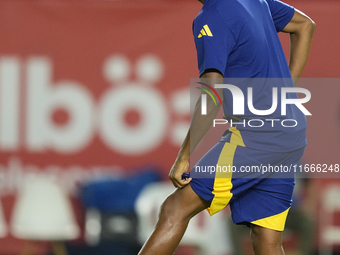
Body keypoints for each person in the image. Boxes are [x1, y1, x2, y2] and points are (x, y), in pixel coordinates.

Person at [138, 0, 315, 255]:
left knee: (174, 209)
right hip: (291, 131)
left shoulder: (210, 18)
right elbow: (305, 25)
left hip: (258, 136)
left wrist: (183, 156)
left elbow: (211, 97)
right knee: (266, 238)